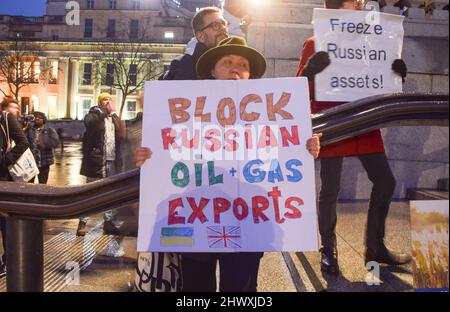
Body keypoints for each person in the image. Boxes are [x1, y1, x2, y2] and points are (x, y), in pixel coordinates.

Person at [136, 36, 322, 292]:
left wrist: (305, 149)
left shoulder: (268, 116)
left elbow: (283, 158)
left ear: (249, 74)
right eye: (227, 62)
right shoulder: (185, 109)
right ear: (212, 69)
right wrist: (149, 157)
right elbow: (166, 153)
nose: (236, 68)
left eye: (243, 64)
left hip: (247, 223)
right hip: (195, 219)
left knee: (241, 289)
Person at [296, 0, 411, 275]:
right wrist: (310, 71)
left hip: (365, 121)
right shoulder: (315, 41)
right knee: (330, 189)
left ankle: (375, 247)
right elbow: (298, 86)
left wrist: (398, 74)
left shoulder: (374, 41)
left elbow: (380, 80)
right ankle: (329, 249)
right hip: (332, 121)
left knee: (385, 181)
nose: (360, 3)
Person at [77, 93, 125, 238]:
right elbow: (89, 123)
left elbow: (122, 135)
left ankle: (108, 222)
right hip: (96, 161)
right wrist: (104, 112)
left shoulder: (114, 118)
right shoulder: (94, 115)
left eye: (110, 99)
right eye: (105, 99)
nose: (108, 101)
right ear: (99, 103)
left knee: (110, 194)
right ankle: (82, 222)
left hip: (112, 161)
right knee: (90, 193)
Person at [0, 97, 30, 278]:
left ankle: (9, 261)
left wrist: (5, 161)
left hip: (3, 179)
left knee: (5, 223)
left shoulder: (5, 118)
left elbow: (23, 143)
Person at [163, 6, 229, 80]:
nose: (223, 28)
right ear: (201, 36)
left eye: (225, 24)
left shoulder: (237, 60)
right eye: (216, 25)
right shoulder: (184, 66)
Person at [25, 111, 60, 184]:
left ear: (44, 119)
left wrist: (44, 143)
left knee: (43, 183)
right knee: (29, 183)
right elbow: (24, 141)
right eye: (35, 117)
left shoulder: (49, 130)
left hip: (44, 161)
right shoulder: (30, 130)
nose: (37, 119)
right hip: (32, 162)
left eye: (39, 117)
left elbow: (56, 143)